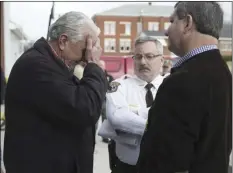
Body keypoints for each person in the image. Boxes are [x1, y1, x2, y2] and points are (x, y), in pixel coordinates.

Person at [3, 11, 107, 173]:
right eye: (87, 45)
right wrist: (94, 66)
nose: (88, 55)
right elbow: (85, 108)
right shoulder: (36, 66)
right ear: (63, 41)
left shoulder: (51, 65)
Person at [137, 2, 232, 173]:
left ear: (187, 23)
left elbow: (163, 162)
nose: (166, 31)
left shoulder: (182, 81)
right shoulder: (223, 73)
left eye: (172, 21)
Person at [101, 36, 165, 173]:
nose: (142, 62)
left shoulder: (172, 86)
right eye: (138, 57)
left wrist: (134, 118)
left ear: (161, 60)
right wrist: (160, 127)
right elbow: (117, 118)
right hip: (128, 167)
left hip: (163, 165)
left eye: (149, 56)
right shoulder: (120, 86)